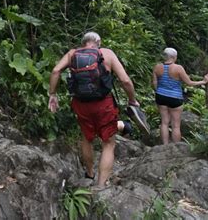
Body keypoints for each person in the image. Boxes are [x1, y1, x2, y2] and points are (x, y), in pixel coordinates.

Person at [48, 32, 141, 188]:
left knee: (86, 138)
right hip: (103, 104)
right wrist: (132, 100)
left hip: (81, 104)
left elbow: (56, 71)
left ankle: (89, 174)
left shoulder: (72, 54)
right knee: (108, 143)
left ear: (83, 42)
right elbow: (125, 81)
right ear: (99, 42)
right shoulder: (107, 53)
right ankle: (100, 185)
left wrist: (52, 94)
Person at [152, 47, 208, 145]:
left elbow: (154, 83)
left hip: (160, 96)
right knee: (176, 125)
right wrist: (204, 81)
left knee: (164, 122)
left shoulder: (157, 67)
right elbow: (189, 83)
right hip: (175, 98)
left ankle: (165, 145)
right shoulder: (178, 68)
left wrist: (159, 91)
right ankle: (176, 147)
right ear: (174, 57)